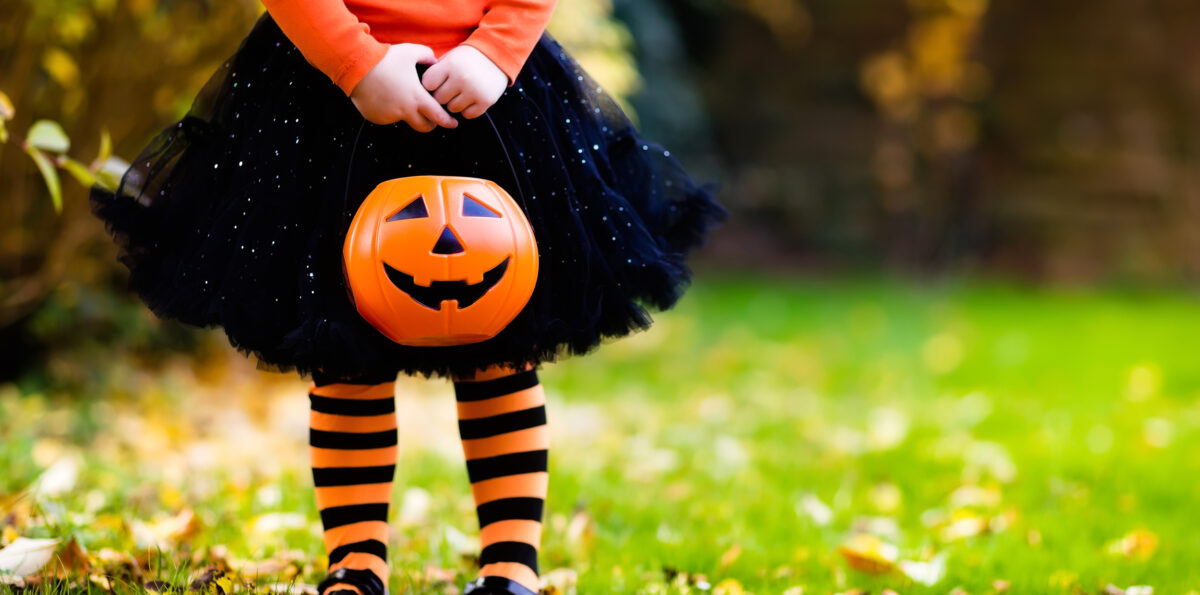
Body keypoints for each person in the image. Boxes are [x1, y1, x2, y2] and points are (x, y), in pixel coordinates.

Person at [90, 0, 723, 593]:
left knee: (500, 346)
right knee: (344, 352)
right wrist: (355, 62)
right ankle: (356, 561)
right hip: (328, 98)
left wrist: (496, 51)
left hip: (487, 92)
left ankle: (511, 565)